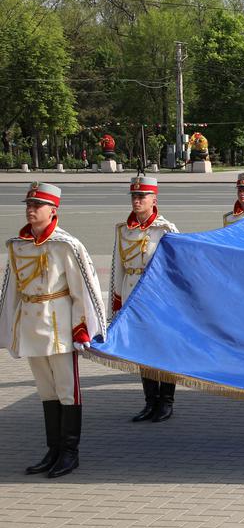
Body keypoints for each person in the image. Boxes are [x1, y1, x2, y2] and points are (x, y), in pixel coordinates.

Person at [0, 183, 107, 478]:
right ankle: (53, 450)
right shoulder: (17, 246)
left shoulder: (65, 245)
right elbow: (11, 290)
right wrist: (8, 326)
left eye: (38, 205)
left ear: (53, 210)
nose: (31, 209)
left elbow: (84, 289)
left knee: (66, 391)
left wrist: (83, 327)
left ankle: (70, 453)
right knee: (46, 391)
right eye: (28, 205)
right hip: (32, 327)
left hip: (59, 327)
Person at [110, 176, 181, 423]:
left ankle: (166, 401)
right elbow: (118, 266)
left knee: (163, 349)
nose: (137, 201)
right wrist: (117, 302)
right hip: (131, 294)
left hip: (158, 298)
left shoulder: (165, 230)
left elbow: (176, 268)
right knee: (141, 351)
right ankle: (150, 402)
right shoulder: (123, 230)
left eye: (142, 197)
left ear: (154, 200)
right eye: (134, 197)